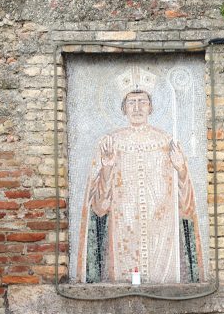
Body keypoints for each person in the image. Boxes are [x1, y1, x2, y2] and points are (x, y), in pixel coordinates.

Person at [77, 89, 203, 284]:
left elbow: (186, 203)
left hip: (161, 229)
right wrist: (107, 167)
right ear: (123, 109)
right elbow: (99, 207)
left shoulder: (167, 141)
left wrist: (181, 169)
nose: (137, 108)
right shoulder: (110, 142)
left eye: (142, 102)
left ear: (151, 107)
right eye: (131, 103)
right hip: (123, 227)